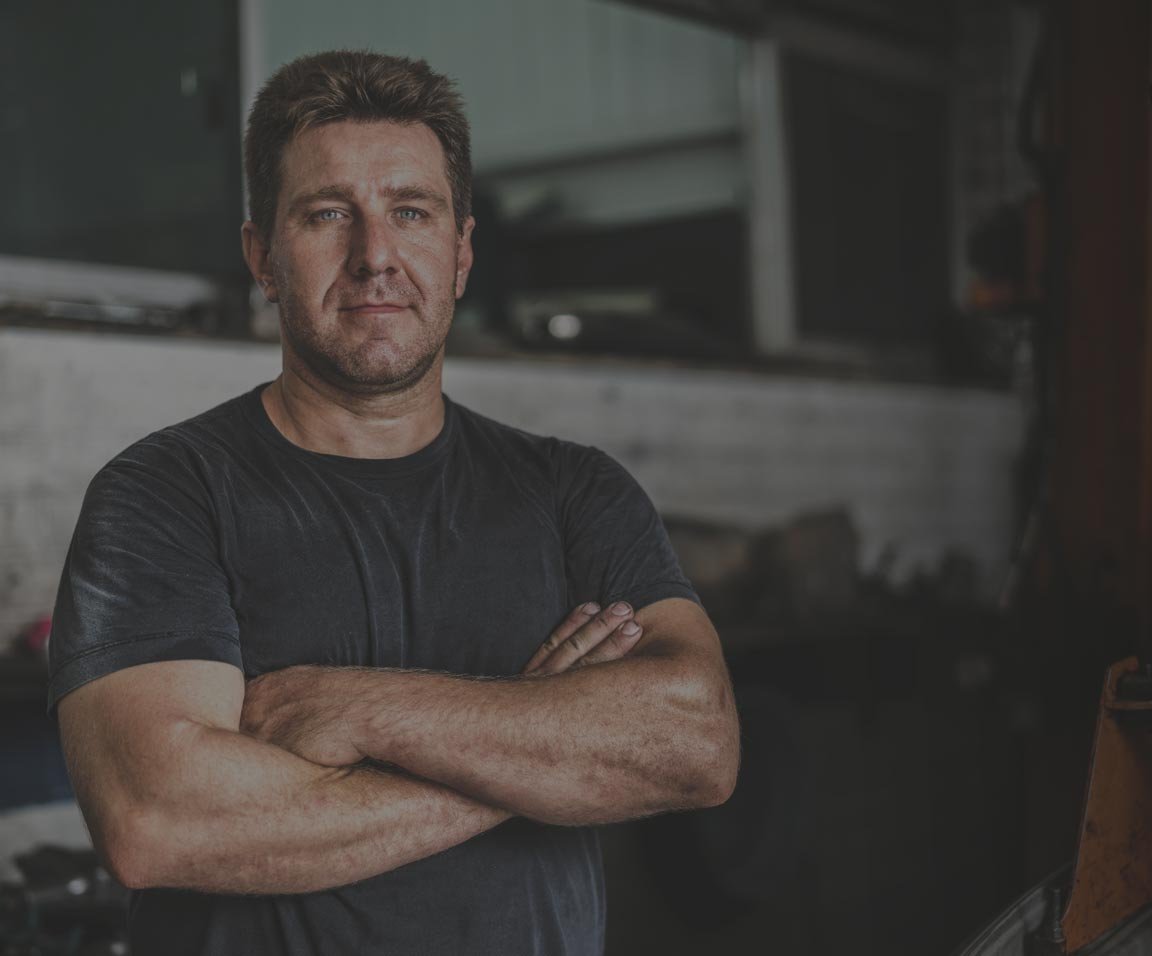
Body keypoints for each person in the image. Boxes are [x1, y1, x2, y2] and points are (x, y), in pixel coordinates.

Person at [46, 50, 740, 956]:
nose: (376, 255)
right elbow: (161, 821)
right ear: (262, 256)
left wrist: (364, 711)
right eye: (328, 213)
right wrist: (543, 743)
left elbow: (696, 744)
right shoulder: (164, 497)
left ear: (458, 254)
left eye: (411, 212)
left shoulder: (576, 492)